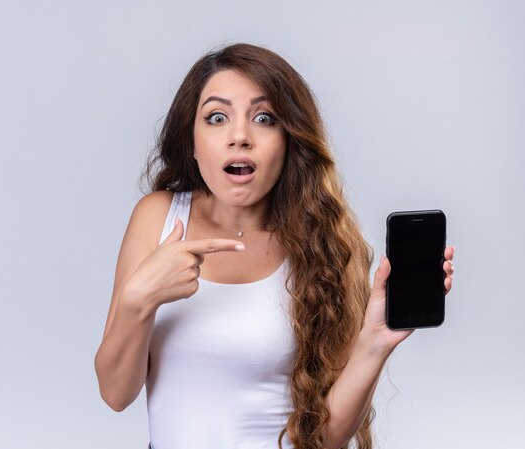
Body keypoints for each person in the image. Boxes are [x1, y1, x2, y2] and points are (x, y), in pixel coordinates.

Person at [94, 43, 455, 449]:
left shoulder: (321, 244)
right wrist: (139, 299)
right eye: (217, 117)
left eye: (264, 118)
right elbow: (115, 393)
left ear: (287, 142)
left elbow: (327, 438)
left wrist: (376, 339)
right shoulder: (158, 217)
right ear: (192, 142)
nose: (239, 137)